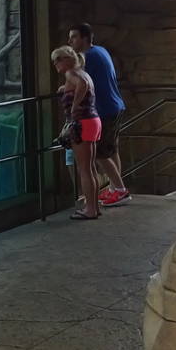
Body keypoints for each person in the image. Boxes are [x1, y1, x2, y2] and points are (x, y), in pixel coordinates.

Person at [68, 22, 130, 208]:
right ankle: (115, 189)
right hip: (115, 105)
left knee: (101, 153)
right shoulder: (100, 50)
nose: (70, 41)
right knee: (111, 150)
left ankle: (120, 190)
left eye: (74, 37)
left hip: (104, 109)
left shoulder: (88, 57)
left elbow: (82, 83)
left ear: (85, 38)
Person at [51, 44, 102, 219]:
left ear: (66, 59)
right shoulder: (81, 72)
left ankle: (90, 210)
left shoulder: (71, 74)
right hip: (93, 121)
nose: (55, 63)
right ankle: (94, 206)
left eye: (58, 59)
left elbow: (82, 85)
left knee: (84, 169)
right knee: (90, 167)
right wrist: (65, 90)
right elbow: (82, 83)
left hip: (82, 123)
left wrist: (74, 107)